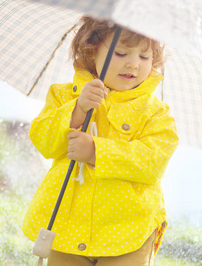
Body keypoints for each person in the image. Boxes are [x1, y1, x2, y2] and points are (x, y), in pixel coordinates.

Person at [23, 16, 178, 266]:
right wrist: (77, 110)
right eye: (120, 52)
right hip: (66, 226)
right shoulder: (64, 95)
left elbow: (153, 162)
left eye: (144, 57)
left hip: (129, 232)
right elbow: (43, 140)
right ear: (91, 51)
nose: (133, 64)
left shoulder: (155, 112)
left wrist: (96, 151)